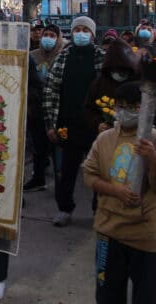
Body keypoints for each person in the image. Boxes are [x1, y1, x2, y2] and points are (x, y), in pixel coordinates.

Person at [83, 82, 156, 304]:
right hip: (109, 229)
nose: (125, 111)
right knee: (107, 294)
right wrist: (115, 191)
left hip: (144, 234)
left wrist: (152, 157)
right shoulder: (104, 139)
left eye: (133, 107)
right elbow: (89, 175)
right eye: (121, 106)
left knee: (145, 295)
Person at [44, 16, 106, 226]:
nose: (80, 33)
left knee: (98, 169)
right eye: (77, 29)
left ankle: (99, 210)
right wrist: (51, 124)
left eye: (85, 30)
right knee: (66, 170)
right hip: (67, 123)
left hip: (95, 124)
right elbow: (51, 90)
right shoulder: (63, 57)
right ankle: (64, 209)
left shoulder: (101, 57)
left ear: (92, 34)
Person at [25, 24, 63, 191]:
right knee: (38, 146)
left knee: (58, 148)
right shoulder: (32, 56)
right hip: (37, 107)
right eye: (45, 34)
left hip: (57, 108)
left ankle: (62, 181)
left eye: (51, 35)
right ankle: (38, 177)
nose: (47, 38)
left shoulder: (63, 56)